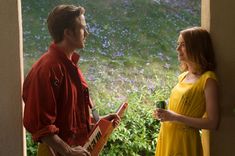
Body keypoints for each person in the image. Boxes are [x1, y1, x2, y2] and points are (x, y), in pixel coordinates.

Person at [23, 4, 120, 156]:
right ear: (68, 33)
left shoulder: (70, 65)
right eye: (82, 28)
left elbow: (70, 118)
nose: (86, 33)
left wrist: (98, 121)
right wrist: (68, 151)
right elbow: (40, 125)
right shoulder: (48, 68)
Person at [153, 27, 219, 156]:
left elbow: (213, 122)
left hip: (185, 142)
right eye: (178, 45)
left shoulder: (208, 79)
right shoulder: (183, 76)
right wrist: (164, 114)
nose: (178, 49)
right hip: (167, 137)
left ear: (197, 47)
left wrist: (174, 117)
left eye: (183, 45)